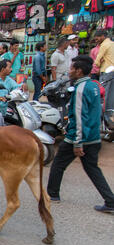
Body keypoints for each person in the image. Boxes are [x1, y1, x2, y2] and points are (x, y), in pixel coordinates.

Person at [47, 55, 114, 213]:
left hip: (78, 138)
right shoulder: (94, 86)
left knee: (58, 164)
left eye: (71, 68)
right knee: (92, 168)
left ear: (78, 71)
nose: (69, 71)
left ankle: (52, 194)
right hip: (93, 136)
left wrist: (77, 143)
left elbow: (79, 117)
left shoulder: (80, 89)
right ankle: (110, 200)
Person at [94, 30, 114, 110]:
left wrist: (99, 63)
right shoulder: (112, 44)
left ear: (103, 36)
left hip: (106, 71)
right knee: (111, 93)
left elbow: (97, 62)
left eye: (98, 38)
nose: (97, 39)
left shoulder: (104, 45)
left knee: (103, 93)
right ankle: (110, 111)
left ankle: (102, 112)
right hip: (112, 71)